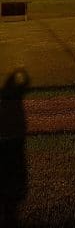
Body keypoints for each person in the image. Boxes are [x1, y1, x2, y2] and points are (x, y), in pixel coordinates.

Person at [0, 69, 30, 228]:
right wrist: (21, 72)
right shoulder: (16, 98)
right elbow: (26, 82)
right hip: (16, 140)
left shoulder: (5, 98)